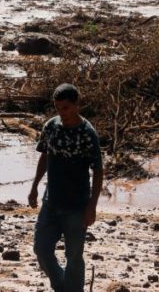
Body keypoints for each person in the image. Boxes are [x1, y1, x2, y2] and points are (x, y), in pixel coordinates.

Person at [28, 83, 104, 292]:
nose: (62, 113)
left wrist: (92, 207)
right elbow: (45, 156)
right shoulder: (51, 127)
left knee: (74, 256)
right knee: (41, 250)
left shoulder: (87, 134)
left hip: (76, 206)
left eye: (66, 108)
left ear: (76, 105)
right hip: (51, 201)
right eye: (58, 108)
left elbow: (98, 171)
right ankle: (61, 286)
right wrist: (34, 187)